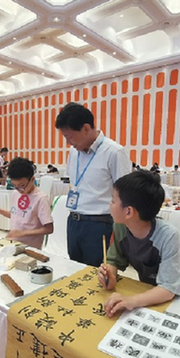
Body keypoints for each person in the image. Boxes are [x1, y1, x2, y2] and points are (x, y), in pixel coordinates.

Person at [98, 171, 180, 316]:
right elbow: (113, 260)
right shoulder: (121, 226)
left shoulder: (168, 235)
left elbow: (168, 289)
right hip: (153, 287)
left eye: (113, 200)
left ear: (128, 211)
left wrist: (131, 300)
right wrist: (109, 276)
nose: (110, 204)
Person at [56, 102, 132, 266]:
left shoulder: (114, 152)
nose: (68, 143)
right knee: (75, 270)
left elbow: (126, 195)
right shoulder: (73, 152)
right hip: (74, 221)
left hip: (99, 225)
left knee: (97, 274)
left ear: (85, 128)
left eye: (70, 137)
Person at [0, 157, 53, 249]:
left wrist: (22, 233)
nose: (20, 190)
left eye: (22, 186)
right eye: (15, 186)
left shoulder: (41, 198)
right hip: (14, 243)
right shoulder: (15, 193)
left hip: (30, 248)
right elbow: (17, 215)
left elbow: (49, 228)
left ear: (32, 180)